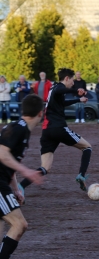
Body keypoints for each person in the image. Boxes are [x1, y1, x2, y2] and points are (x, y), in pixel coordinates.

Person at [18, 68, 92, 194]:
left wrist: (78, 99)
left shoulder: (54, 89)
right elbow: (63, 89)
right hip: (58, 128)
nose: (73, 83)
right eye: (72, 80)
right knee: (87, 147)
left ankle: (21, 186)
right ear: (67, 78)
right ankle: (81, 175)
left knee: (45, 167)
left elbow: (62, 102)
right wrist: (76, 91)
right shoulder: (59, 88)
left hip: (47, 131)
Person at [0, 94, 43, 258]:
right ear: (40, 113)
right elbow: (2, 154)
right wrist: (26, 171)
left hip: (3, 181)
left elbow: (8, 163)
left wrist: (16, 189)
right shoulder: (18, 129)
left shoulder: (21, 129)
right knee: (20, 224)